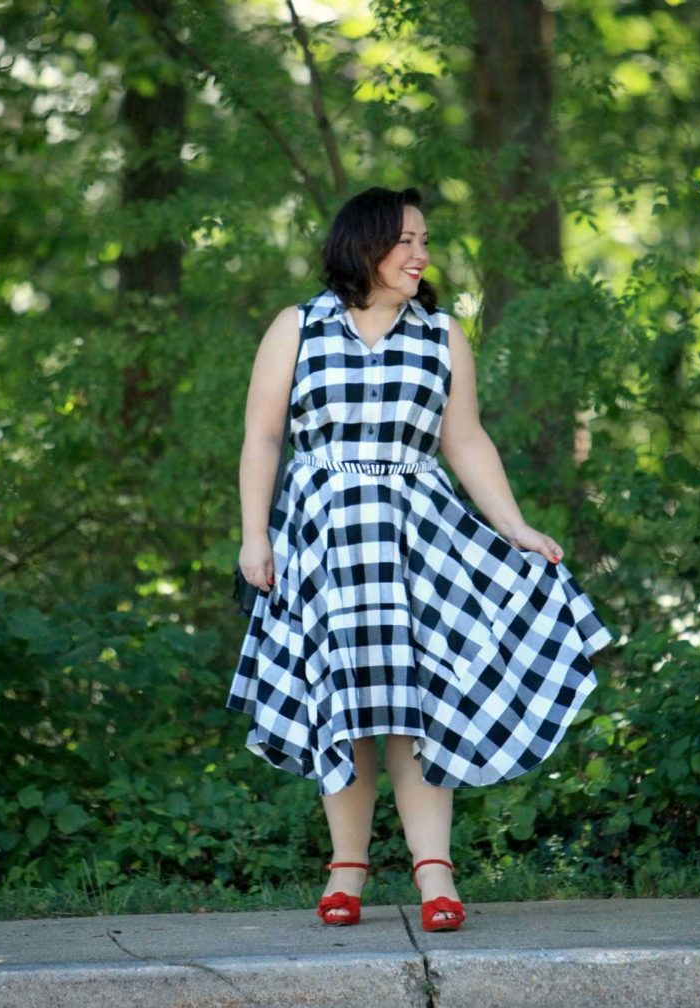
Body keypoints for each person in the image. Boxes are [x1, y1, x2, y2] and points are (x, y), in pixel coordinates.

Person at [227, 186, 612, 932]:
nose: (421, 252)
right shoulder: (298, 328)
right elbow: (263, 439)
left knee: (422, 707)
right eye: (406, 239)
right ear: (363, 243)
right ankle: (347, 873)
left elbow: (464, 440)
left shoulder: (441, 334)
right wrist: (255, 535)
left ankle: (437, 877)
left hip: (418, 536)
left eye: (424, 239)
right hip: (325, 535)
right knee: (341, 703)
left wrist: (516, 527)